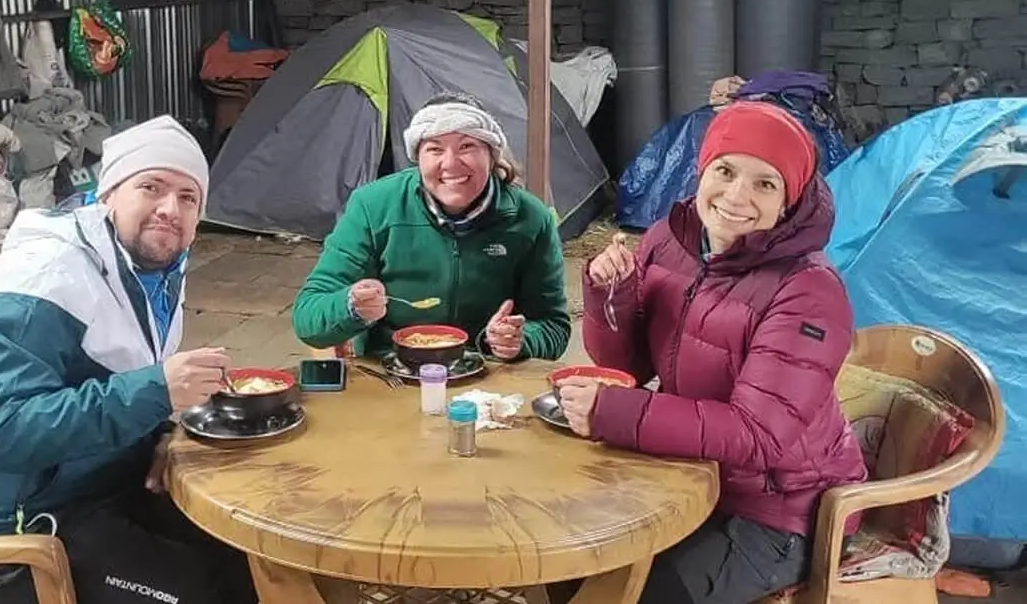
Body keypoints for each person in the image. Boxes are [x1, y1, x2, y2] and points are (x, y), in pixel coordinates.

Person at [0, 115, 258, 604]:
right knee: (201, 594)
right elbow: (3, 430)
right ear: (109, 194)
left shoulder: (150, 270)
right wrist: (157, 391)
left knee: (250, 558)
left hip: (84, 498)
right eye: (151, 187)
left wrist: (158, 433)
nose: (169, 209)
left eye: (187, 197)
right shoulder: (40, 277)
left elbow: (104, 381)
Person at [554, 101, 869, 604]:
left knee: (635, 596)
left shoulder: (808, 290)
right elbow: (625, 368)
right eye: (725, 170)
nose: (737, 195)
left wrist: (612, 411)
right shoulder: (667, 241)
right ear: (701, 171)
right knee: (568, 560)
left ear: (790, 200)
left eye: (765, 183)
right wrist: (609, 293)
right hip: (687, 477)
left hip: (777, 509)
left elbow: (759, 435)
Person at [292, 92, 570, 362]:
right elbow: (307, 318)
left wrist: (521, 340)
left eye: (467, 147)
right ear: (418, 158)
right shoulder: (373, 206)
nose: (450, 164)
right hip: (391, 373)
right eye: (434, 149)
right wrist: (349, 307)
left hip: (488, 377)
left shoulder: (531, 219)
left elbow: (554, 326)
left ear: (492, 155)